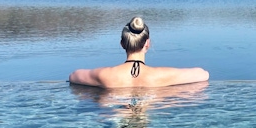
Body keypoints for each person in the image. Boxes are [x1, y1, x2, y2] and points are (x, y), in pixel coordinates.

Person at [68, 17, 209, 88]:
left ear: (122, 44)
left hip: (113, 118)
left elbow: (73, 76)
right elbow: (203, 74)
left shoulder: (105, 75)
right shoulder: (160, 75)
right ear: (147, 43)